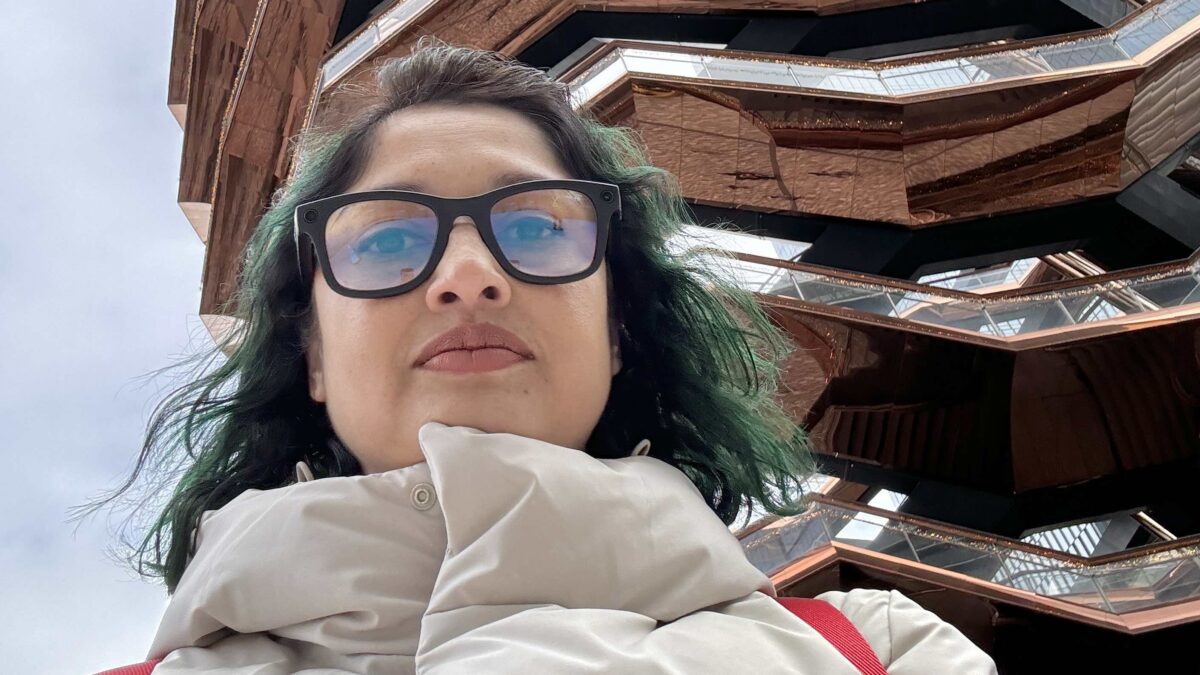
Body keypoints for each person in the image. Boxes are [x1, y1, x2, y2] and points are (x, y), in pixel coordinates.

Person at [89, 36, 998, 674]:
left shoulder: (877, 652)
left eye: (534, 226)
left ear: (615, 330)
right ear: (314, 357)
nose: (468, 277)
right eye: (389, 239)